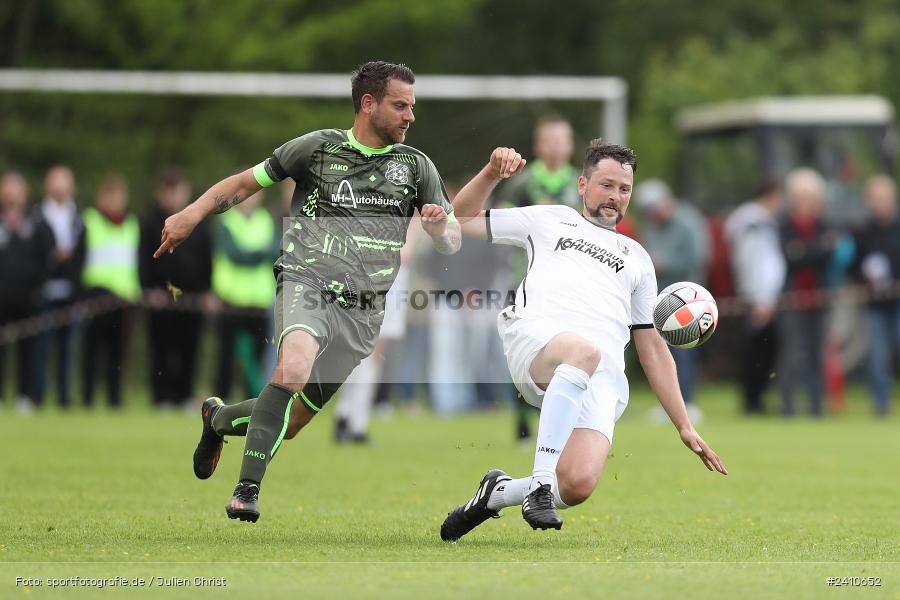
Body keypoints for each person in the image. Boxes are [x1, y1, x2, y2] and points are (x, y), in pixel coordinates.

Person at [156, 61, 519, 523]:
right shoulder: (318, 148)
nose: (410, 116)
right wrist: (192, 213)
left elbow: (451, 236)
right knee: (293, 368)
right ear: (368, 104)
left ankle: (219, 420)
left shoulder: (416, 167)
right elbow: (246, 183)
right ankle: (246, 490)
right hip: (306, 282)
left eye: (413, 106)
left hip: (364, 311)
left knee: (290, 424)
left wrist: (436, 224)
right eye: (400, 105)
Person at [440, 140, 727, 541]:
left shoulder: (637, 257)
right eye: (606, 185)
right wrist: (491, 172)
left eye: (624, 190)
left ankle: (498, 493)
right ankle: (539, 482)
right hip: (538, 341)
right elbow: (461, 216)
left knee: (576, 485)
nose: (615, 197)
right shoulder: (549, 219)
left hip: (600, 373)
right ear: (582, 185)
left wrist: (683, 424)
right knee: (582, 350)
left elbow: (651, 348)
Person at [633, 179, 709, 421]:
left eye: (653, 209)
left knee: (683, 350)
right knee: (662, 349)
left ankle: (687, 402)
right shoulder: (652, 225)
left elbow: (698, 258)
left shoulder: (688, 221)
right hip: (660, 298)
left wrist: (665, 263)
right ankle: (670, 405)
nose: (651, 215)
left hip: (688, 297)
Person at [139, 167, 213, 409]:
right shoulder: (150, 222)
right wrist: (148, 289)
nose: (172, 197)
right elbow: (143, 259)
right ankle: (161, 398)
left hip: (193, 298)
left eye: (176, 191)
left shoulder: (199, 222)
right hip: (160, 297)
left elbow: (207, 258)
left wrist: (207, 291)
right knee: (161, 348)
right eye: (168, 191)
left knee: (190, 348)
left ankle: (185, 397)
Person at [777, 168, 837, 417]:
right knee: (791, 353)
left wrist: (805, 252)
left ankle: (816, 406)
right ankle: (788, 407)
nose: (805, 202)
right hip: (792, 299)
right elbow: (790, 257)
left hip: (819, 298)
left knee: (816, 353)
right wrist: (813, 252)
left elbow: (826, 254)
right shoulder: (784, 225)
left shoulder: (825, 225)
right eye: (800, 196)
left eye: (809, 196)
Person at [211, 188, 279, 401]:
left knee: (258, 358)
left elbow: (274, 251)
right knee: (226, 358)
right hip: (231, 300)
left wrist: (250, 253)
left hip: (259, 301)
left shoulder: (266, 219)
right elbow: (235, 255)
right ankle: (220, 402)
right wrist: (257, 254)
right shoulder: (227, 221)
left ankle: (252, 403)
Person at [724, 181, 786, 415]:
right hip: (759, 297)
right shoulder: (755, 222)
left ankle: (754, 399)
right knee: (759, 352)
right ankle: (753, 401)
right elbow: (758, 263)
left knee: (760, 350)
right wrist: (763, 298)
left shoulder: (748, 220)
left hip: (756, 295)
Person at [80, 174, 141, 408]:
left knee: (118, 356)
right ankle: (87, 399)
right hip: (96, 296)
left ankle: (115, 400)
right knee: (91, 353)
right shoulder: (90, 220)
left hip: (124, 298)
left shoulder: (131, 223)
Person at [0, 171, 54, 412]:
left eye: (17, 188)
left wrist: (38, 288)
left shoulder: (36, 223)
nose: (12, 193)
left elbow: (47, 258)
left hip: (29, 299)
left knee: (29, 349)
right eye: (7, 188)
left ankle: (25, 396)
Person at [32, 165, 85, 410]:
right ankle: (37, 397)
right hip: (44, 291)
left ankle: (65, 399)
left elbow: (82, 255)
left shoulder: (79, 218)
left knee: (68, 349)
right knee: (41, 347)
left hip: (71, 292)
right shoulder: (36, 217)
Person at [853, 175, 900, 417]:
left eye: (883, 198)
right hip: (875, 303)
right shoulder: (864, 231)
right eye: (875, 199)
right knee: (878, 355)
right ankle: (882, 403)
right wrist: (865, 278)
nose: (879, 203)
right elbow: (854, 265)